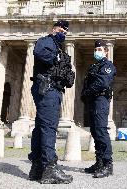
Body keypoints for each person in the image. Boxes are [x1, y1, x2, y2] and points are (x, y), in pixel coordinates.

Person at [28, 20, 75, 184]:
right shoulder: (46, 41)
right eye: (61, 30)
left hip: (52, 89)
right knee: (48, 127)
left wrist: (66, 71)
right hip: (47, 88)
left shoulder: (59, 49)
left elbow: (68, 77)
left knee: (41, 127)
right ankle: (49, 167)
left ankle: (37, 168)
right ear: (54, 29)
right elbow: (40, 52)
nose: (63, 33)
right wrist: (57, 61)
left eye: (66, 32)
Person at [81, 39, 117, 178]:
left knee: (101, 131)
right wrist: (85, 95)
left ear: (106, 52)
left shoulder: (108, 66)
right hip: (93, 100)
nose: (97, 52)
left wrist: (87, 92)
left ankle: (108, 164)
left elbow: (102, 82)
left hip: (101, 99)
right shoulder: (94, 66)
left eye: (100, 50)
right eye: (96, 50)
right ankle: (99, 162)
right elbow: (88, 82)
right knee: (95, 131)